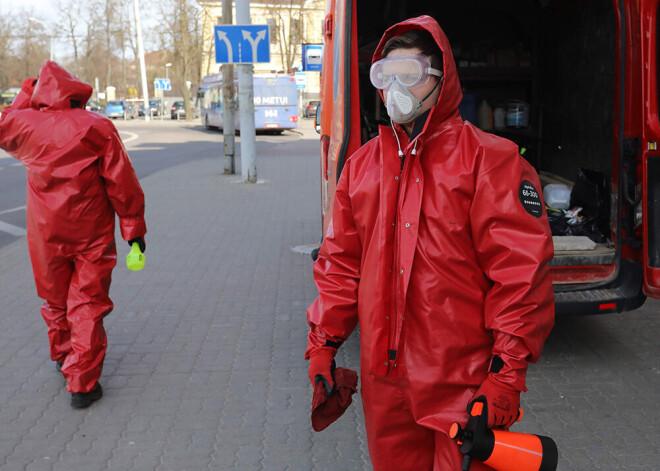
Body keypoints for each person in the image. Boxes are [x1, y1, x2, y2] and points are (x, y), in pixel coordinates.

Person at [305, 16, 555, 470]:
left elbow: (521, 276)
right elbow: (340, 263)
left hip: (462, 384)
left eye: (411, 76)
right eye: (386, 77)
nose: (395, 90)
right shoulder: (362, 169)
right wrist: (323, 344)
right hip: (385, 387)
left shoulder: (489, 162)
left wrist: (506, 374)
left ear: (442, 81)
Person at [0, 61, 147, 409]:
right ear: (77, 93)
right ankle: (81, 381)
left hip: (45, 230)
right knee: (87, 302)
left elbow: (4, 123)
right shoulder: (96, 126)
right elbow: (122, 184)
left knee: (54, 298)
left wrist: (25, 93)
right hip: (90, 228)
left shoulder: (26, 124)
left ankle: (63, 356)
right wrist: (134, 231)